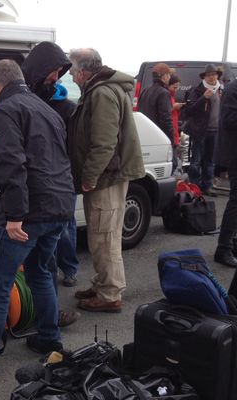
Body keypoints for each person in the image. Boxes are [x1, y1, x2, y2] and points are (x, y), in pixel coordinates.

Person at [0, 59, 75, 381]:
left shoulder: (5, 111)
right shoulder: (45, 108)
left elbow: (10, 163)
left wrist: (14, 216)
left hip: (29, 212)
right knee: (41, 273)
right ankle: (50, 339)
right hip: (59, 207)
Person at [67, 48, 145, 313]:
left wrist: (89, 177)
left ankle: (109, 294)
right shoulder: (100, 89)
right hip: (108, 175)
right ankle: (103, 284)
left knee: (104, 236)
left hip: (106, 177)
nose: (70, 74)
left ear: (84, 72)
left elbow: (104, 144)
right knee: (102, 233)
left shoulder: (101, 93)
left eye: (73, 70)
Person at [21, 41, 80, 326]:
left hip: (48, 197)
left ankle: (46, 322)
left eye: (60, 73)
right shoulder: (22, 103)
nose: (56, 79)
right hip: (30, 199)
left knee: (42, 266)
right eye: (54, 72)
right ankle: (40, 322)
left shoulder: (59, 105)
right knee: (20, 269)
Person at [183, 64, 224, 196]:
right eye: (209, 75)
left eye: (214, 74)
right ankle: (195, 186)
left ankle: (207, 186)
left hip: (215, 130)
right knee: (196, 160)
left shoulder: (221, 89)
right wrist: (203, 98)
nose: (212, 77)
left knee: (210, 160)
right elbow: (189, 111)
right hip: (200, 131)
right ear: (204, 77)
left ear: (217, 75)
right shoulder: (198, 90)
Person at [137, 63, 178, 172]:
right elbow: (166, 119)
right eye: (169, 75)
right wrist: (172, 141)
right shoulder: (164, 93)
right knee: (171, 167)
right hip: (161, 137)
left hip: (147, 137)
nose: (170, 77)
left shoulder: (145, 91)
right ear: (163, 76)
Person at [214, 78, 237, 267]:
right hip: (234, 153)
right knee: (236, 201)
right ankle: (223, 249)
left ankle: (232, 243)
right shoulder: (232, 89)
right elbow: (229, 120)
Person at [168, 73, 186, 174]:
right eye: (175, 87)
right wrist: (174, 107)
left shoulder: (171, 96)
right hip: (170, 132)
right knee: (173, 162)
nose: (176, 89)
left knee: (174, 161)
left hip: (173, 131)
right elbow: (165, 112)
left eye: (177, 87)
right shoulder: (167, 96)